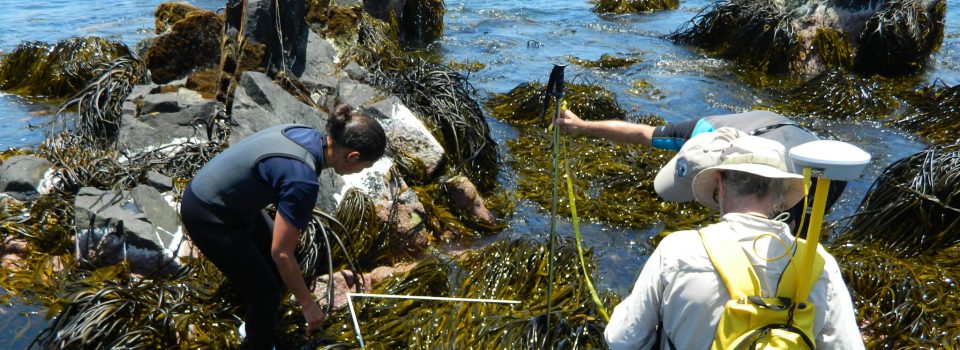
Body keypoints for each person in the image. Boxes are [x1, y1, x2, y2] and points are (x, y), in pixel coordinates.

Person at [603, 136, 864, 349]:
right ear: (779, 191)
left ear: (720, 184)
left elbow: (622, 340)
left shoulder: (678, 250)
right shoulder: (818, 263)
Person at [180, 104, 386, 349]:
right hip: (208, 215)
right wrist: (308, 305)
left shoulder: (305, 134)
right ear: (352, 156)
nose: (360, 171)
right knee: (267, 294)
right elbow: (281, 253)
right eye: (364, 166)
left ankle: (253, 315)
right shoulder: (303, 179)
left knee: (278, 271)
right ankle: (257, 343)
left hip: (230, 201)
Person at [555, 109, 845, 238]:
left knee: (789, 249)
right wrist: (583, 125)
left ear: (719, 179)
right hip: (774, 127)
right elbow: (643, 133)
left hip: (820, 168)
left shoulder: (778, 179)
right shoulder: (701, 130)